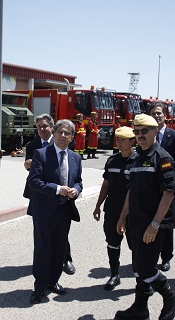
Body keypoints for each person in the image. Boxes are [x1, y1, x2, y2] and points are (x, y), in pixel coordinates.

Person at [115, 114, 175, 320]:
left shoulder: (162, 157)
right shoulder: (137, 157)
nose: (140, 135)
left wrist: (155, 224)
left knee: (145, 267)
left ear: (154, 132)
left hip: (152, 224)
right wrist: (122, 216)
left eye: (145, 131)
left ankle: (171, 297)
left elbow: (169, 193)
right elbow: (130, 191)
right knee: (138, 267)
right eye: (137, 131)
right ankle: (140, 308)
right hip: (135, 221)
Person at [27, 119, 83, 304]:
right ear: (55, 133)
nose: (63, 136)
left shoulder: (75, 157)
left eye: (68, 133)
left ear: (72, 138)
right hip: (44, 210)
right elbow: (34, 181)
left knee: (59, 249)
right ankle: (40, 287)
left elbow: (79, 181)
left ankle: (53, 281)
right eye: (60, 132)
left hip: (65, 210)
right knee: (43, 249)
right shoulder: (41, 154)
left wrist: (77, 189)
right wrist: (58, 189)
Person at [23, 114, 76, 275]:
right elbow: (29, 168)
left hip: (61, 194)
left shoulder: (61, 140)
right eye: (38, 127)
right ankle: (42, 269)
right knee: (42, 233)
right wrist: (31, 164)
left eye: (45, 126)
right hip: (40, 192)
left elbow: (69, 165)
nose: (42, 129)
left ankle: (65, 259)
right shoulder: (32, 146)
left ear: (52, 128)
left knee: (61, 231)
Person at [93, 126, 137, 290]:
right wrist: (98, 206)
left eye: (123, 140)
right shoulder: (112, 161)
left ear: (132, 141)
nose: (119, 142)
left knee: (135, 246)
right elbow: (105, 186)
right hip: (112, 210)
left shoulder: (138, 161)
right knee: (112, 243)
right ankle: (114, 275)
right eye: (118, 139)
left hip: (133, 212)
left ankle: (142, 277)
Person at [150, 103, 175, 272]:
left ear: (164, 116)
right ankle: (152, 255)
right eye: (154, 114)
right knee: (153, 218)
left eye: (159, 113)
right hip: (151, 186)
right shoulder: (147, 133)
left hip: (169, 184)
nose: (157, 116)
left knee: (167, 222)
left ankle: (166, 257)